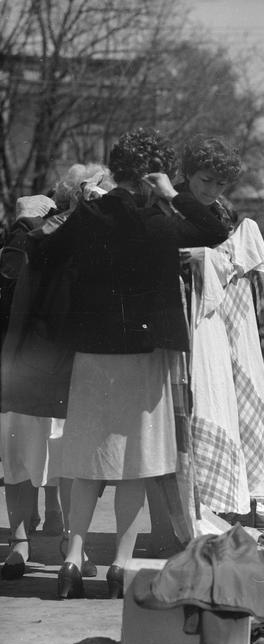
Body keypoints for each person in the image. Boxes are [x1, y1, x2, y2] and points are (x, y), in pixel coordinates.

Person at [28, 128, 230, 599]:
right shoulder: (161, 219)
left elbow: (43, 250)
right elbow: (216, 231)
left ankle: (73, 561)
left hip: (93, 352)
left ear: (115, 170)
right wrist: (173, 193)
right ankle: (120, 565)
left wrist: (63, 212)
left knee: (89, 460)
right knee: (136, 462)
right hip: (147, 353)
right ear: (153, 175)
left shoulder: (89, 215)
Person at [0, 164, 111, 581]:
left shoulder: (98, 239)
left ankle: (62, 540)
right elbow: (13, 278)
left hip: (59, 357)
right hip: (34, 356)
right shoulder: (37, 230)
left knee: (62, 453)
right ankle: (29, 541)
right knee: (27, 453)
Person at [177, 134, 264, 520]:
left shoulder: (222, 214)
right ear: (188, 174)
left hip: (219, 328)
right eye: (205, 180)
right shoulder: (174, 206)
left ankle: (215, 509)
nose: (212, 190)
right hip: (184, 323)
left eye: (219, 184)